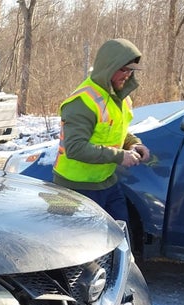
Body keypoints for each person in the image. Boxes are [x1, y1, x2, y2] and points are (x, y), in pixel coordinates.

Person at [53, 38, 150, 223]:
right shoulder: (82, 102)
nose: (128, 75)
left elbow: (116, 132)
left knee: (119, 238)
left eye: (131, 70)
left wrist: (134, 144)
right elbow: (75, 148)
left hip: (107, 184)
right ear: (109, 66)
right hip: (71, 190)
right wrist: (120, 156)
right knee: (72, 247)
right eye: (124, 69)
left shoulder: (120, 98)